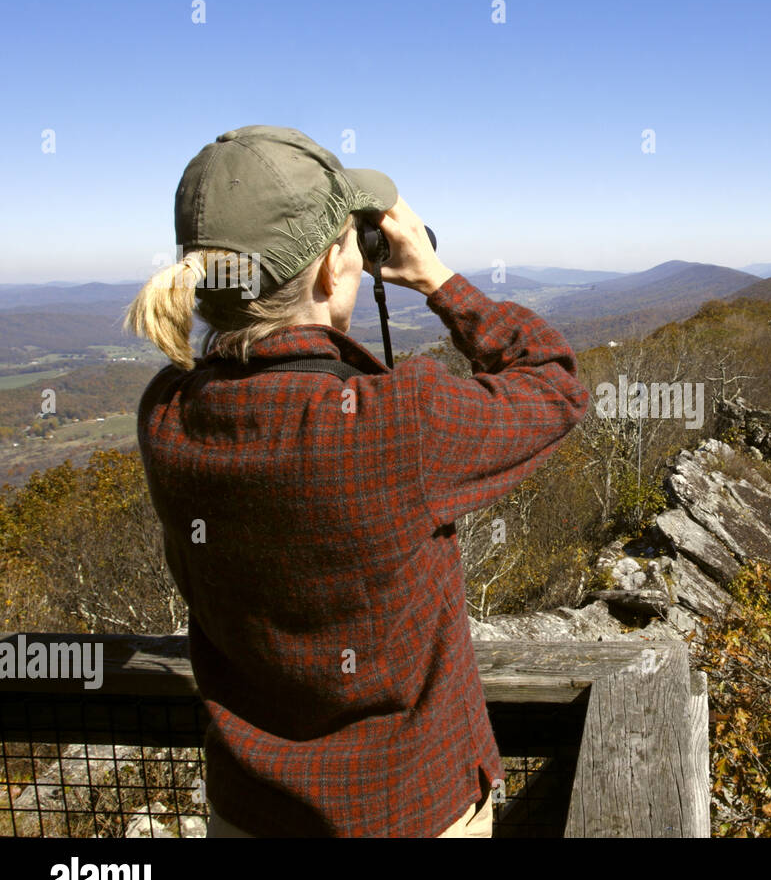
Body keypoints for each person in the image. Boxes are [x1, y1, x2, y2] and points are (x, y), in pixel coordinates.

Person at [124, 125, 589, 837]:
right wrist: (438, 280)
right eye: (350, 237)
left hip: (249, 815)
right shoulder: (398, 424)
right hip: (411, 809)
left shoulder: (166, 414)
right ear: (325, 270)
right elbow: (555, 384)